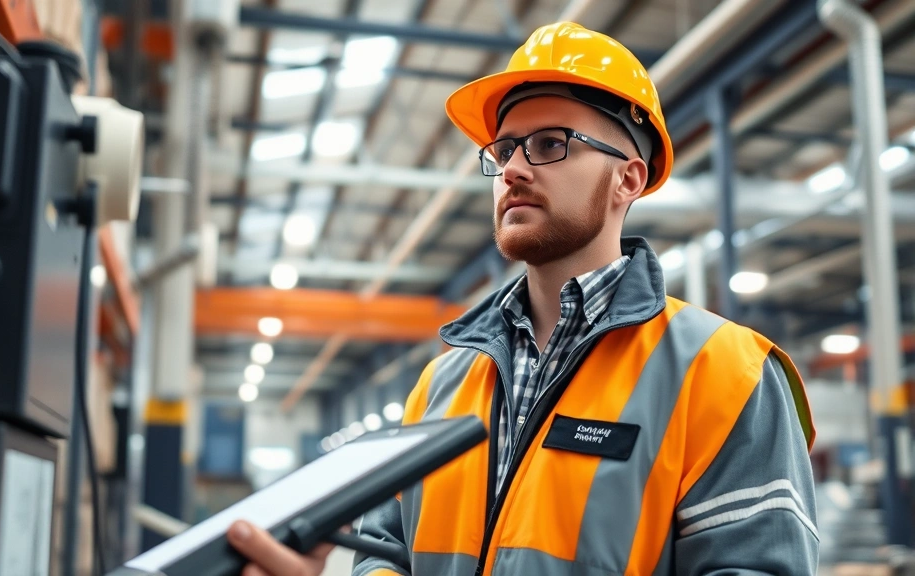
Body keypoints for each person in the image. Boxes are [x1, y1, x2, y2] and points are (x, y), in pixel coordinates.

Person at [227, 20, 819, 576]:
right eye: (504, 149)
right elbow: (386, 555)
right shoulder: (440, 385)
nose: (512, 168)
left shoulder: (728, 373)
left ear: (628, 179)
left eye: (549, 143)